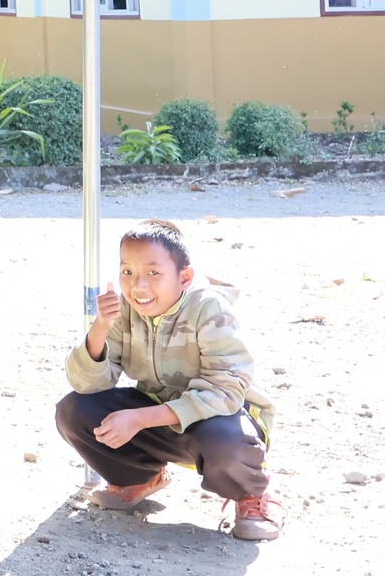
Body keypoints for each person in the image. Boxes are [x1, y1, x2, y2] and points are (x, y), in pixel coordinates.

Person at [55, 220, 282, 541]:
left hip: (223, 421)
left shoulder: (209, 307)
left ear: (184, 277)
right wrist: (100, 327)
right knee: (74, 411)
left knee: (223, 441)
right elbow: (87, 385)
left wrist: (139, 418)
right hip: (162, 416)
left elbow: (225, 391)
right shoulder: (125, 309)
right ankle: (137, 478)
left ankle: (252, 493)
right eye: (127, 272)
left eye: (153, 273)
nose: (138, 286)